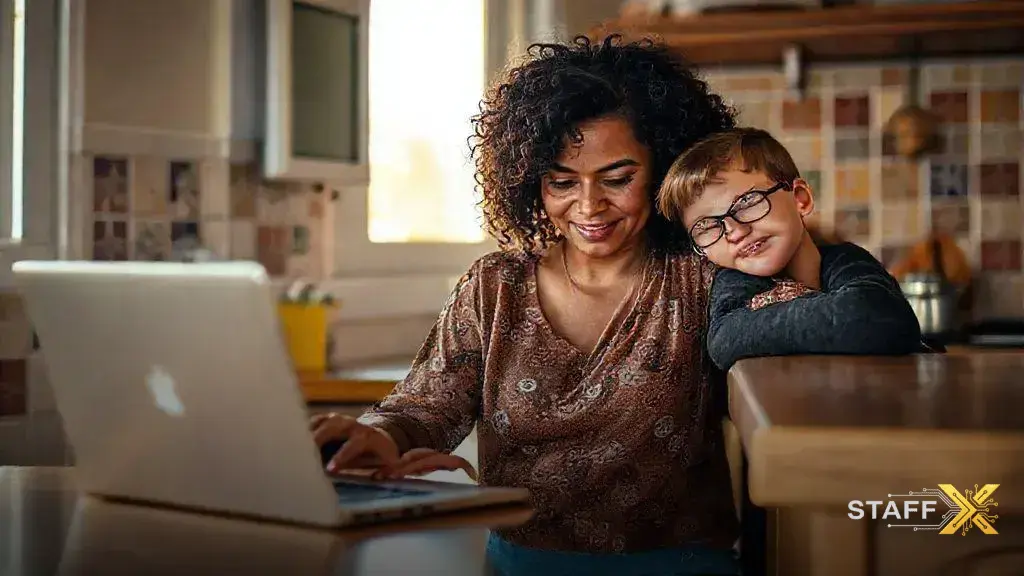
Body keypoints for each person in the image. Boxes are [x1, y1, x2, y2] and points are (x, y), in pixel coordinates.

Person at [309, 37, 903, 575]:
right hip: (518, 568)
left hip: (682, 567)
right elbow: (427, 403)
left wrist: (828, 252)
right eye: (562, 182)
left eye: (617, 178)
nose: (589, 206)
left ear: (662, 170)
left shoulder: (705, 277)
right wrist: (379, 436)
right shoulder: (495, 286)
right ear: (530, 183)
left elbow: (817, 302)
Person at [656, 127, 924, 371]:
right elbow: (725, 340)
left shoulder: (847, 259)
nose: (735, 232)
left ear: (800, 199)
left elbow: (880, 317)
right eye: (706, 227)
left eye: (748, 202)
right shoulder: (734, 280)